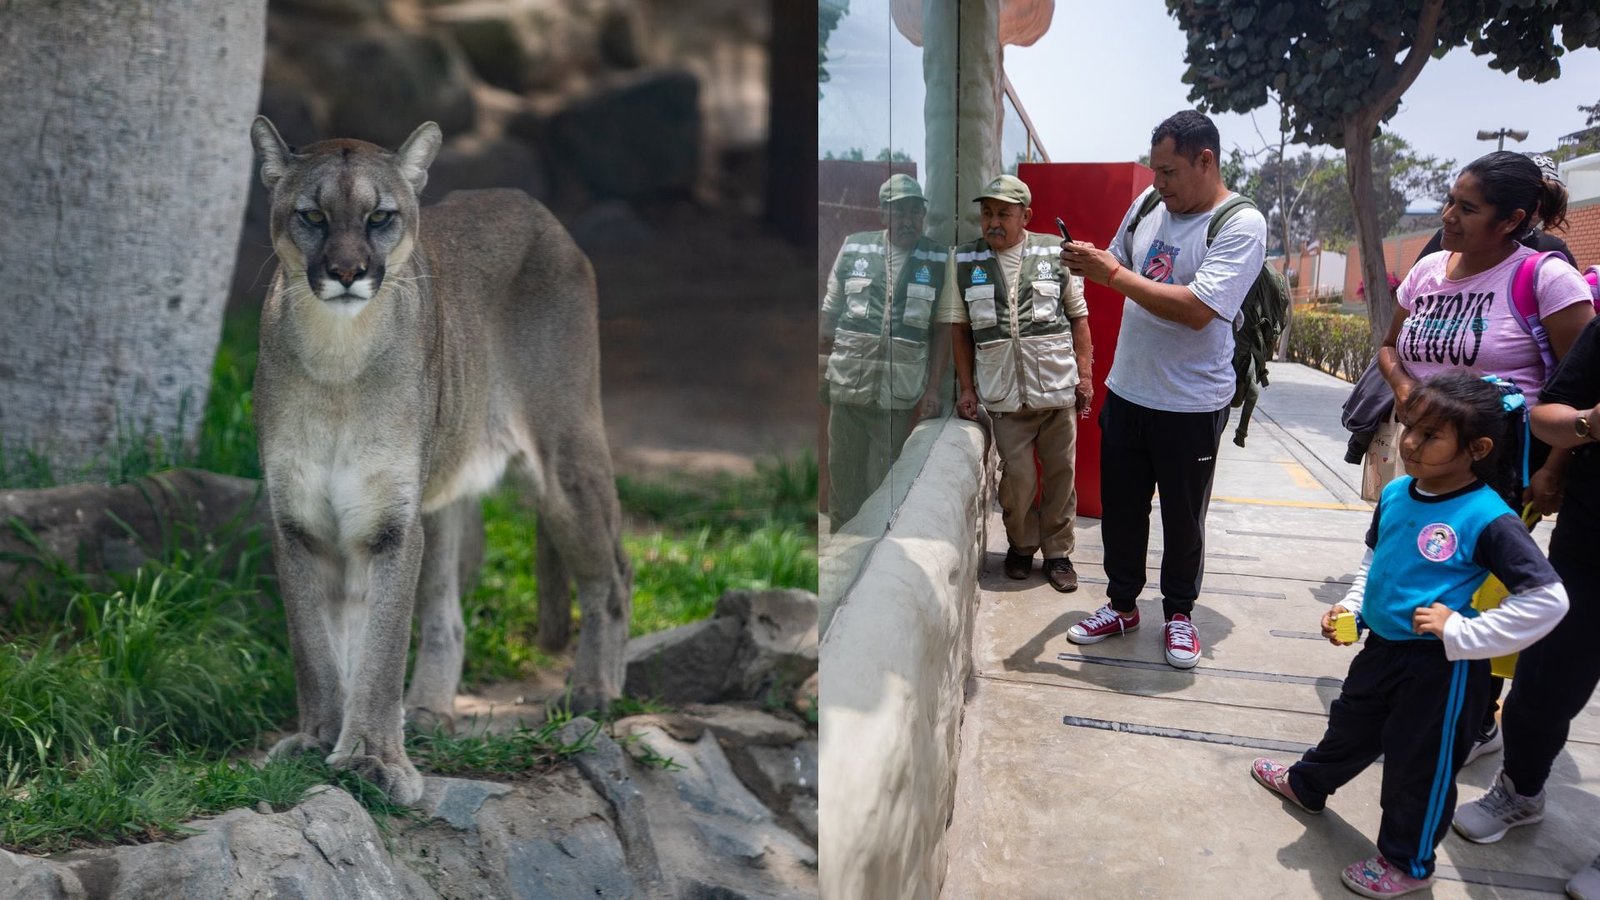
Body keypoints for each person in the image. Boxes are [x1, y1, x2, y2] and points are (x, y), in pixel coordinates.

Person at [1250, 371, 1568, 898]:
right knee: (1349, 725)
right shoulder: (1399, 493)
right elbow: (1376, 560)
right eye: (1409, 426)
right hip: (1383, 650)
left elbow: (1548, 599)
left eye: (1431, 434)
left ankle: (1408, 863)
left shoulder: (1489, 516)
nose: (1411, 442)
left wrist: (1466, 632)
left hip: (1442, 672)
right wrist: (1353, 607)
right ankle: (1308, 784)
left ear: (1477, 448)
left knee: (1417, 770)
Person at [1377, 149, 1595, 760]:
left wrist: (1554, 470)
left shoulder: (1546, 280)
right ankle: (1420, 691)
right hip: (1424, 460)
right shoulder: (1427, 272)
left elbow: (1582, 387)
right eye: (1450, 199)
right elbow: (1389, 347)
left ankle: (1475, 717)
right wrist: (1406, 394)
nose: (1448, 215)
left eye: (1467, 208)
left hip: (1499, 477)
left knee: (1480, 596)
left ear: (1512, 219)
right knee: (1420, 575)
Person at [1057, 110, 1266, 668]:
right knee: (1123, 511)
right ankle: (1122, 605)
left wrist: (1113, 275)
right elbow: (1121, 261)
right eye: (1154, 170)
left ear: (1206, 161)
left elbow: (1198, 310)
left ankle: (1178, 615)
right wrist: (1091, 261)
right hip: (1129, 390)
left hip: (1191, 403)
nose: (1159, 184)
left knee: (1182, 516)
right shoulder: (1150, 205)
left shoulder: (1241, 223)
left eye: (1169, 172)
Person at [1452, 315, 1600, 900]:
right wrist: (1587, 428)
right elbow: (1548, 414)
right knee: (1543, 681)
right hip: (1590, 542)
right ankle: (1520, 789)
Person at [944, 173, 1093, 592]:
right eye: (987, 213)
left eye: (1003, 214)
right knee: (1018, 480)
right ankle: (1022, 546)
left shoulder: (1055, 253)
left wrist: (1086, 376)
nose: (993, 221)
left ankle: (1059, 553)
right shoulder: (963, 260)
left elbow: (1078, 318)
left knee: (1062, 475)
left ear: (1025, 216)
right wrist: (968, 389)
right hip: (1004, 395)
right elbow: (959, 329)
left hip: (1057, 389)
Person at [820, 174, 948, 527]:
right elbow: (829, 317)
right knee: (842, 478)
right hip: (848, 389)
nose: (907, 220)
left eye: (914, 211)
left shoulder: (937, 258)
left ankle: (869, 556)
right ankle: (839, 548)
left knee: (882, 485)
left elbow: (942, 331)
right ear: (882, 215)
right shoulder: (855, 247)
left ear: (923, 215)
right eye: (898, 212)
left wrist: (933, 389)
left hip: (896, 396)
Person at [1412, 152, 1577, 269]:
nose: (1448, 217)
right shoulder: (1449, 239)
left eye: (1545, 200)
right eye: (1451, 201)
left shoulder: (1552, 257)